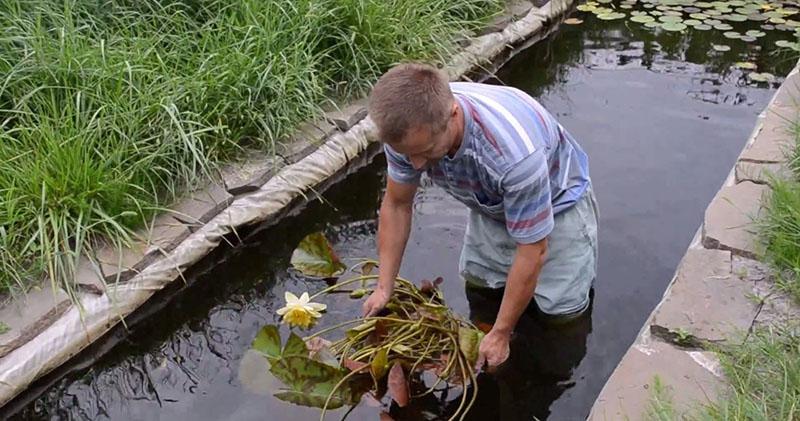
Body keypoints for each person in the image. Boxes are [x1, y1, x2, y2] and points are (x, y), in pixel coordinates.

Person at [362, 62, 598, 370]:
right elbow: (396, 204)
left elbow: (533, 249)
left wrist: (501, 334)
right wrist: (384, 287)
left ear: (453, 116)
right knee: (482, 287)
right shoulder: (409, 131)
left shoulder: (513, 158)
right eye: (409, 155)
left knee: (560, 317)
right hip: (490, 203)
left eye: (427, 151)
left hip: (557, 206)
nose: (417, 165)